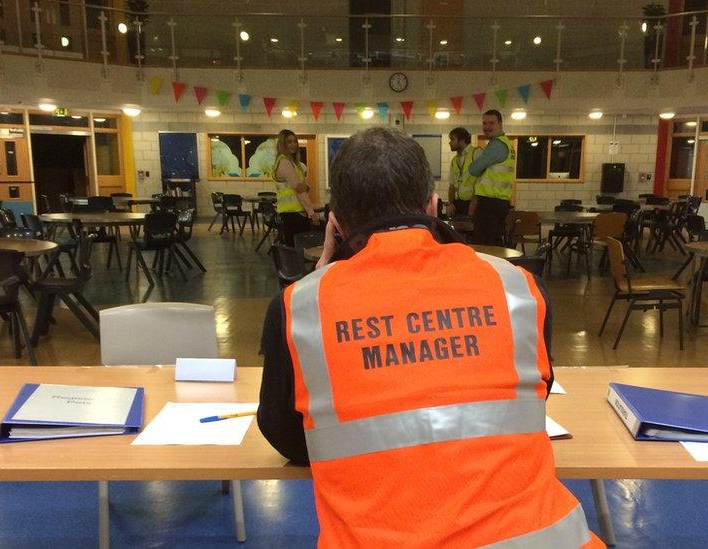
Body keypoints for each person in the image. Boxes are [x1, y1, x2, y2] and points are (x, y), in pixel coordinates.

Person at [258, 127, 602, 548]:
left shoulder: (299, 310)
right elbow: (530, 400)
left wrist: (320, 280)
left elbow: (289, 437)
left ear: (335, 224)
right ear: (434, 206)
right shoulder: (518, 287)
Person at [468, 109, 516, 245]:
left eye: (491, 123)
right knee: (494, 243)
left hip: (490, 204)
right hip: (500, 202)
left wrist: (477, 165)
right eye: (484, 123)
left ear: (500, 124)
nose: (487, 127)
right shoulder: (506, 144)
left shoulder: (497, 145)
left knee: (485, 245)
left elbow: (473, 169)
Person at [272, 129, 320, 246]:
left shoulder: (293, 163)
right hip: (291, 215)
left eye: (295, 141)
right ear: (283, 144)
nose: (293, 144)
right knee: (298, 249)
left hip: (294, 213)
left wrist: (305, 186)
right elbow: (299, 190)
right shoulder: (284, 163)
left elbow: (303, 186)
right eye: (289, 142)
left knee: (295, 249)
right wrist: (312, 213)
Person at [447, 126, 479, 217]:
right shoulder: (454, 160)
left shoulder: (476, 153)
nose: (450, 143)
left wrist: (473, 203)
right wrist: (450, 203)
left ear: (462, 140)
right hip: (457, 204)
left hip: (473, 203)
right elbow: (452, 185)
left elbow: (481, 182)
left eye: (452, 139)